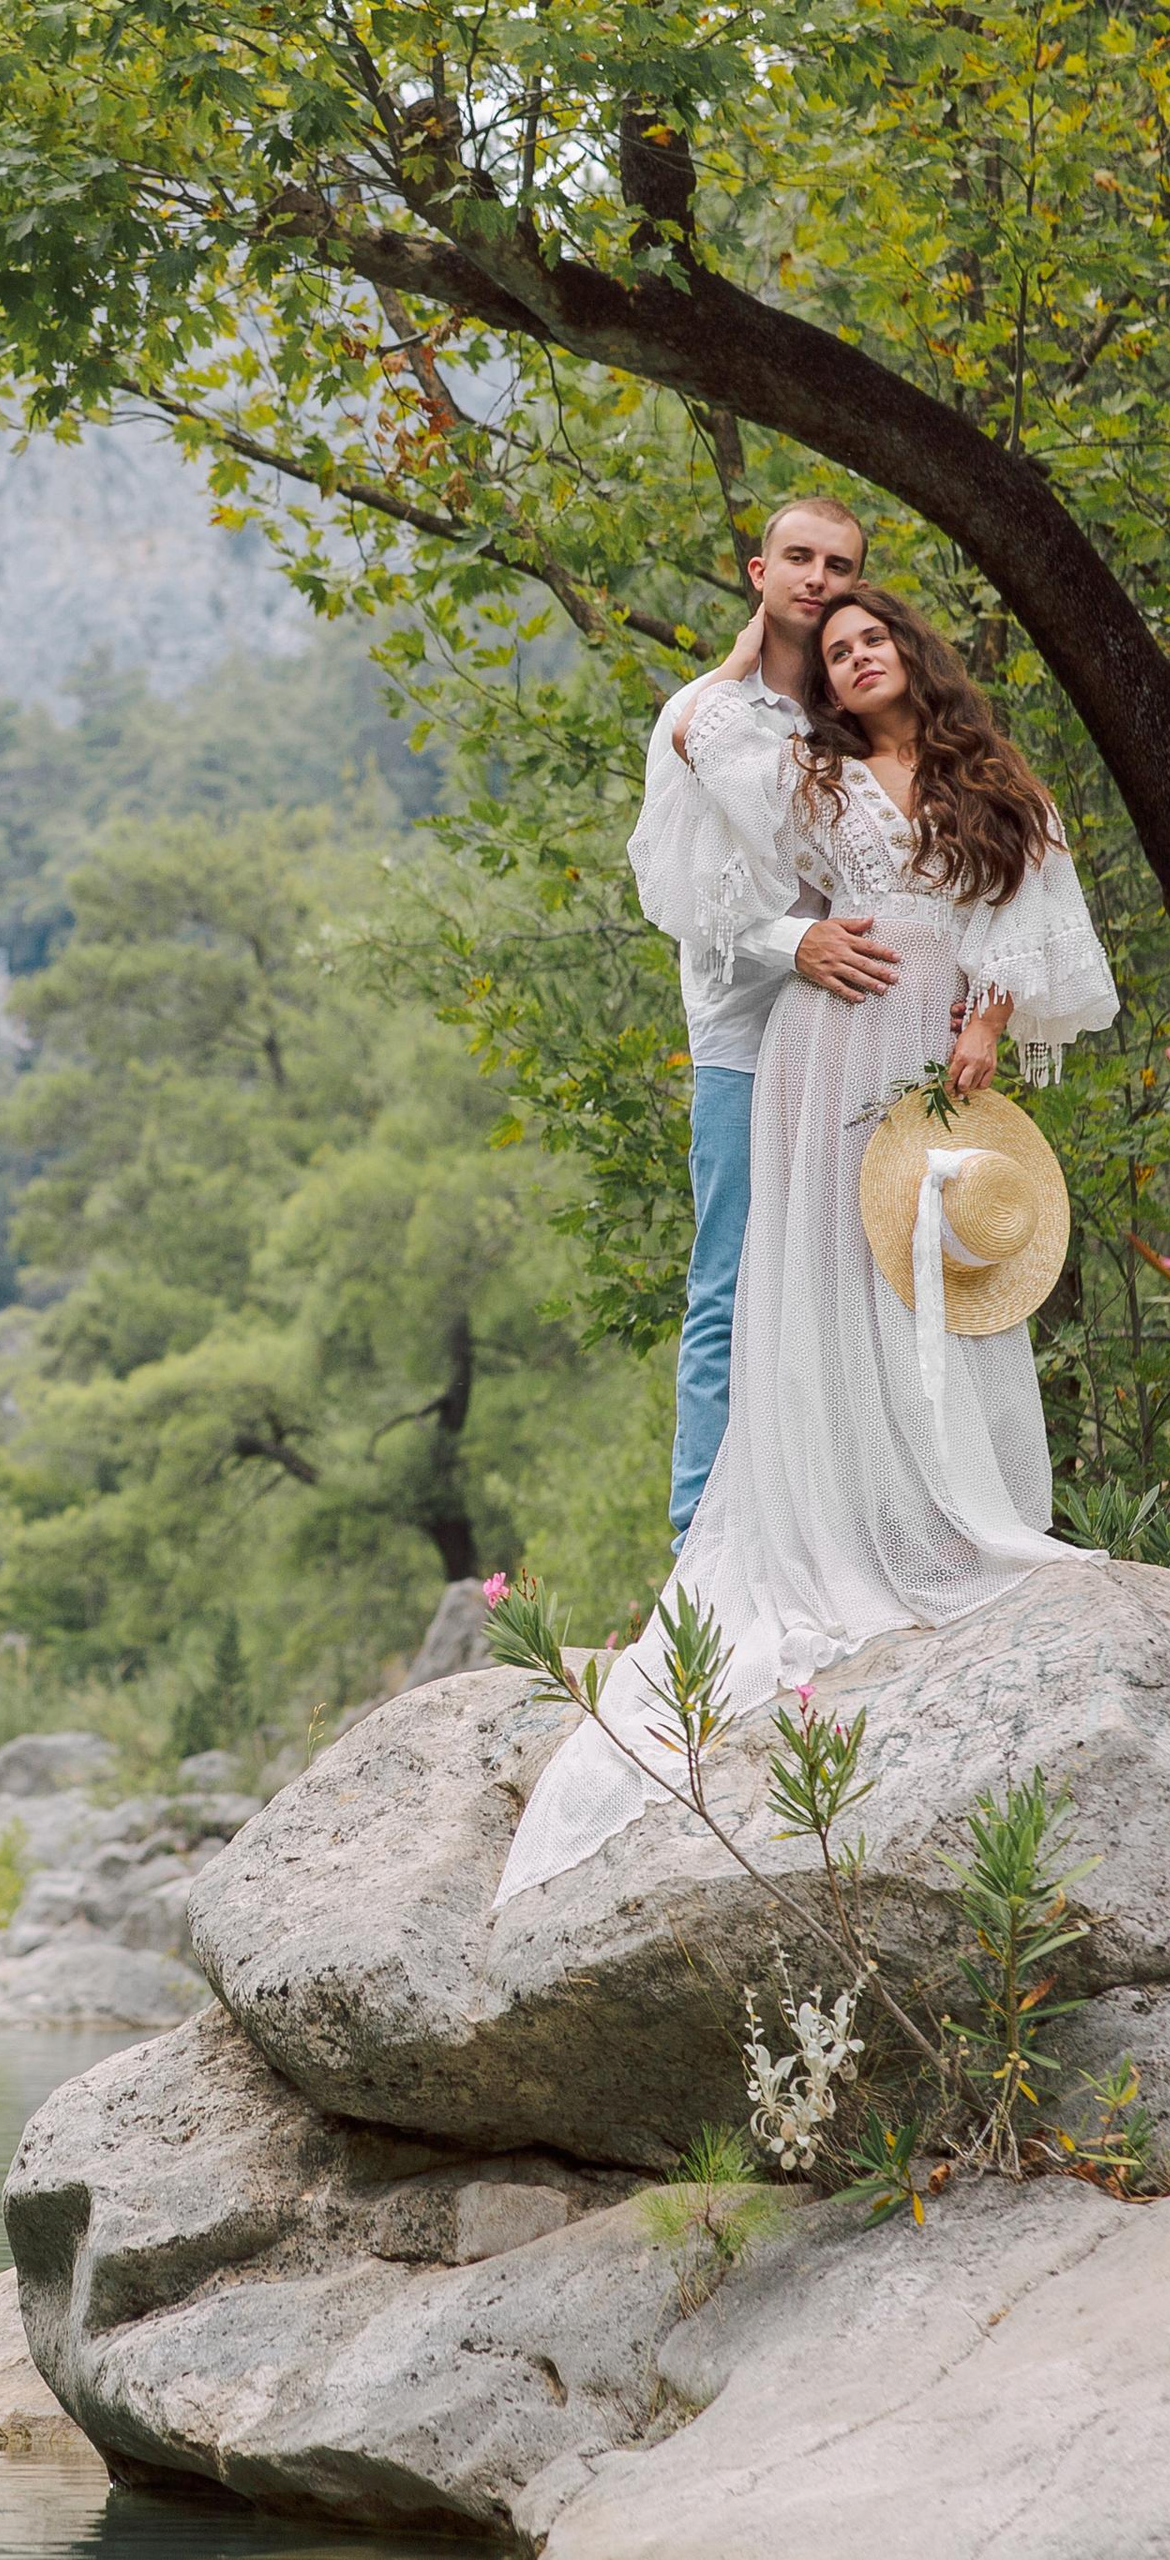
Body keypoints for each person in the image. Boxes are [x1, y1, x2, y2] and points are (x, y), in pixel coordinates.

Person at [496, 583, 1119, 1908]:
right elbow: (695, 746)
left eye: (870, 637)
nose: (856, 658)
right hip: (826, 1043)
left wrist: (986, 1022)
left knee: (931, 1272)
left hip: (928, 1047)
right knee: (834, 1275)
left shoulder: (986, 772)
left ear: (907, 650)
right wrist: (756, 637)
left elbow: (1029, 896)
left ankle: (948, 1510)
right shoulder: (807, 775)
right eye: (834, 652)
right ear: (822, 680)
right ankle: (837, 1519)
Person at [629, 498, 898, 1544]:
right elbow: (679, 896)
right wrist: (796, 944)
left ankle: (829, 1525)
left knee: (844, 1281)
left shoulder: (854, 716)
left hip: (851, 1039)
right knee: (730, 1282)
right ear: (759, 570)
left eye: (839, 564)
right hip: (744, 1040)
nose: (818, 577)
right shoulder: (701, 713)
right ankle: (698, 1540)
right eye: (799, 557)